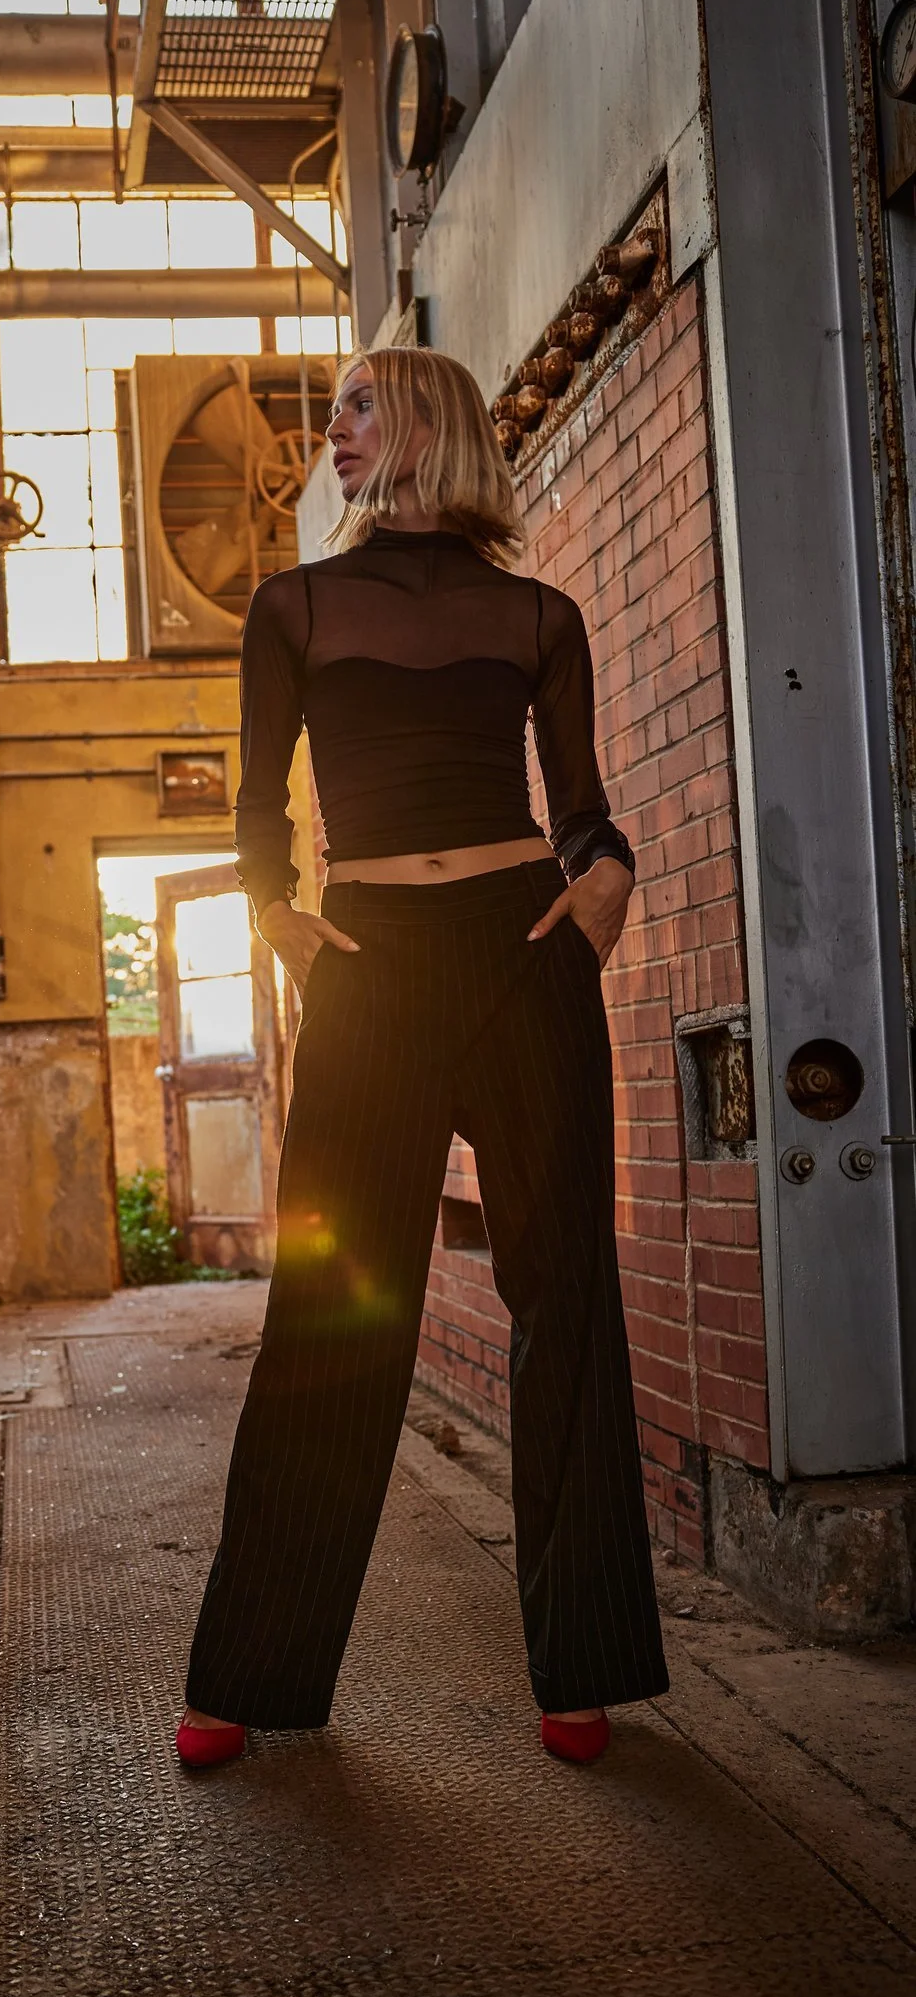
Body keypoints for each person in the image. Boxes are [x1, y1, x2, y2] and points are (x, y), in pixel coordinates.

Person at [177, 345, 668, 1772]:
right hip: (372, 961)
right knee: (335, 1308)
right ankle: (248, 1674)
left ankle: (581, 1662)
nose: (329, 434)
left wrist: (606, 886)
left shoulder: (537, 613)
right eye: (332, 413)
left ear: (427, 427)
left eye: (356, 408)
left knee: (563, 1295)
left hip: (524, 958)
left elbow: (581, 807)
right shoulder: (297, 603)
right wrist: (279, 917)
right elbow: (261, 804)